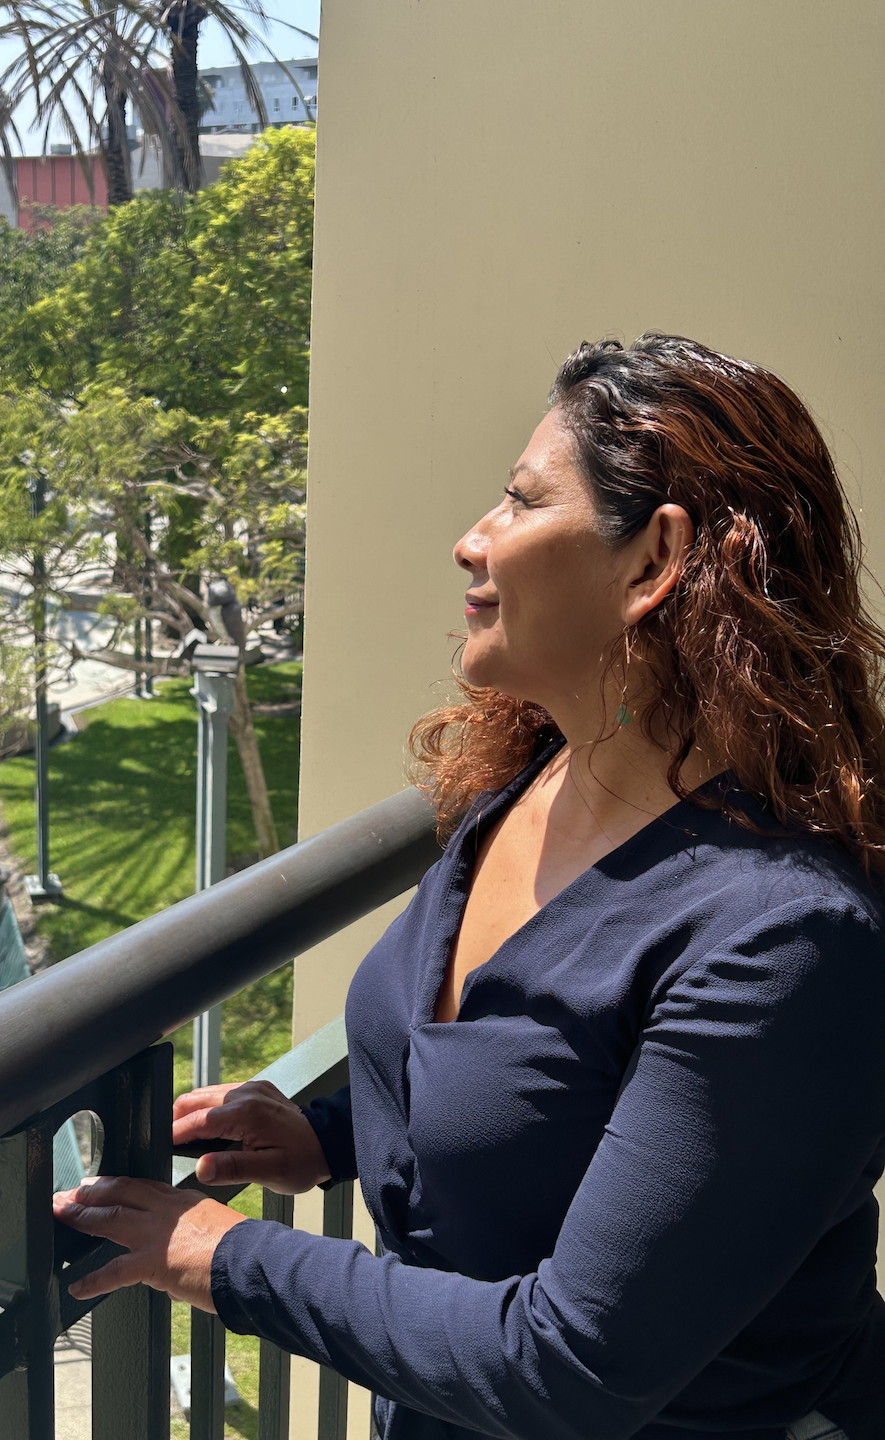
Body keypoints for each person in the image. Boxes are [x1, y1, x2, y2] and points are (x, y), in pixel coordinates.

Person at [55, 335, 885, 1440]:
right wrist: (337, 1136)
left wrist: (225, 1258)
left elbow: (575, 1367)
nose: (470, 540)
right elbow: (554, 1078)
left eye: (519, 501)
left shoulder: (783, 942)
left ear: (653, 562)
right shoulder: (541, 777)